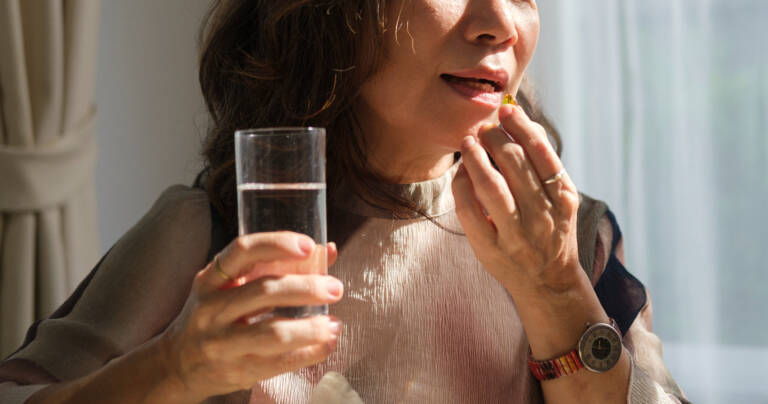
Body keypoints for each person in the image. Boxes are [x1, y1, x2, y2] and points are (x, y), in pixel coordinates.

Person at [0, 1, 689, 403]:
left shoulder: (580, 239)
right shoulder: (209, 228)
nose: (501, 23)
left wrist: (556, 289)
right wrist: (174, 367)